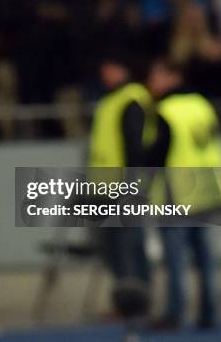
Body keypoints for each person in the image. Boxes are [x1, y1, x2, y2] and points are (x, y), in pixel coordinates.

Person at [146, 58, 221, 330]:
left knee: (177, 260)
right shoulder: (202, 104)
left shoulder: (166, 110)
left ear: (171, 77)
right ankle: (210, 314)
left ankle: (176, 314)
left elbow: (157, 154)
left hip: (179, 192)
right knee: (207, 259)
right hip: (210, 188)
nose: (151, 83)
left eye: (155, 76)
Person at [88, 53, 154, 285]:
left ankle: (137, 297)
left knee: (129, 244)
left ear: (121, 69)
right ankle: (126, 298)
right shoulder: (111, 100)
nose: (103, 74)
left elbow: (134, 146)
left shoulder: (130, 99)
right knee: (115, 245)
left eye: (108, 68)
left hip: (123, 187)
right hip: (105, 187)